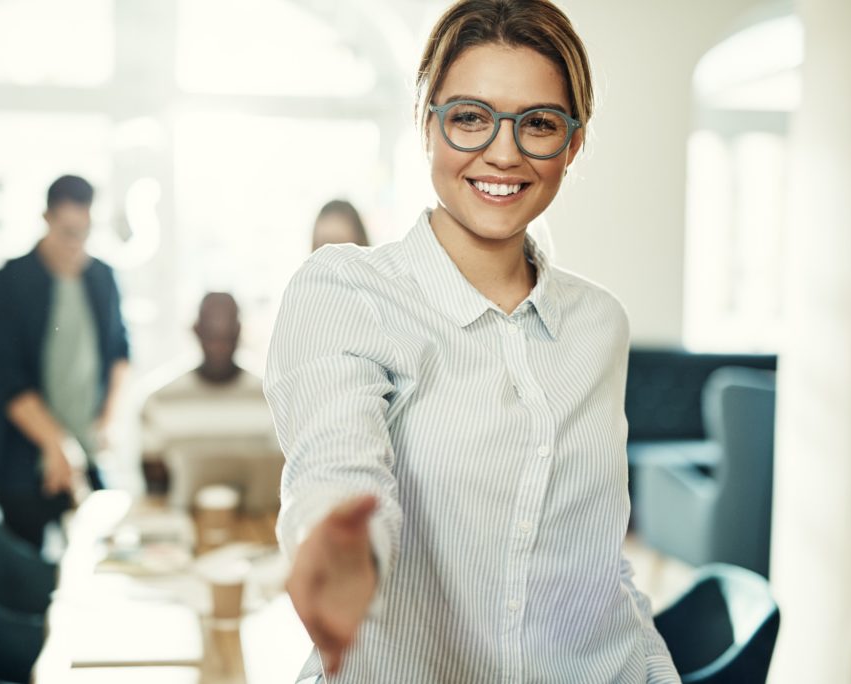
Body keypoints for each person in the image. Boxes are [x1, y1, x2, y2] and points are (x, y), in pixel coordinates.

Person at [264, 1, 680, 682]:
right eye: (470, 117)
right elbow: (338, 467)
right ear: (427, 125)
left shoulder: (600, 325)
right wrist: (338, 552)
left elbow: (594, 560)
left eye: (539, 123)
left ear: (573, 143)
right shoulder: (346, 292)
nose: (504, 151)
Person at [0, 174, 129, 550]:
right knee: (26, 572)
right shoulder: (5, 284)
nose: (76, 242)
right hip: (23, 460)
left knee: (99, 557)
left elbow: (119, 354)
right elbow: (9, 379)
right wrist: (56, 444)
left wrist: (106, 422)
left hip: (87, 454)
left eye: (85, 230)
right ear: (47, 218)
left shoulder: (102, 278)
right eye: (68, 230)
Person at [140, 292, 282, 513]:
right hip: (184, 530)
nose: (220, 346)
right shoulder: (160, 400)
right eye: (212, 336)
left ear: (239, 332)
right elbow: (155, 491)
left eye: (227, 337)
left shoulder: (271, 397)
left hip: (259, 530)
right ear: (196, 331)